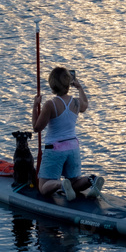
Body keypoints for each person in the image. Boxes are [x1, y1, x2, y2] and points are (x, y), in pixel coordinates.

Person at [31, 66, 105, 200]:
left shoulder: (50, 104)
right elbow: (85, 104)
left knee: (43, 187)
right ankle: (91, 179)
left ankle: (61, 184)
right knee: (75, 182)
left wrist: (35, 106)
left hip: (55, 149)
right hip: (73, 147)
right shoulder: (76, 102)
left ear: (52, 84)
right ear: (68, 83)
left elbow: (37, 128)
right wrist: (80, 87)